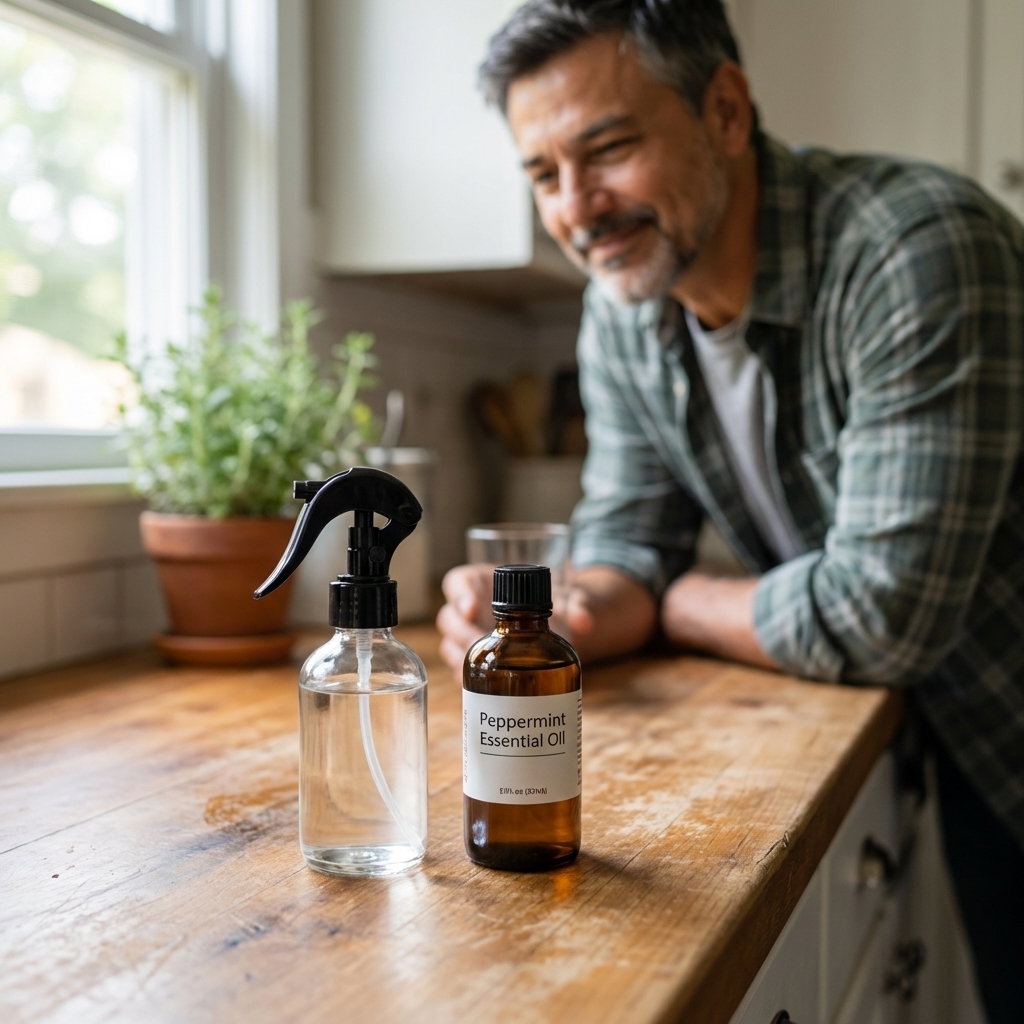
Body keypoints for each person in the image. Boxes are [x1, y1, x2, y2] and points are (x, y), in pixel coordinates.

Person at [436, 2, 1024, 1019]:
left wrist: (677, 606)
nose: (577, 209)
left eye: (607, 148)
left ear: (726, 108)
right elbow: (627, 538)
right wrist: (559, 615)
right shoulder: (624, 309)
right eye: (542, 174)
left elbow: (880, 615)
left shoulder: (915, 249)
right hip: (950, 722)